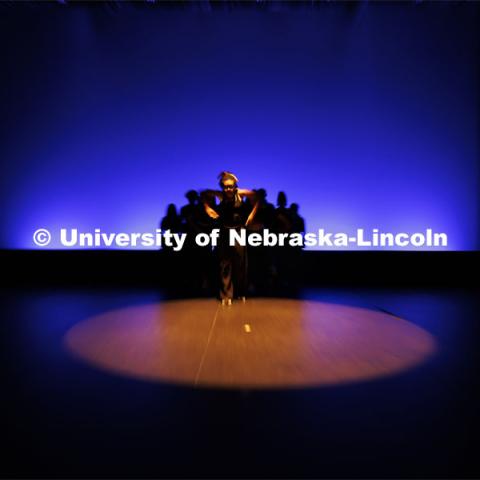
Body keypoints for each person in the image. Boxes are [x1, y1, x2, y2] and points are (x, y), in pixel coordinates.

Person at [201, 171, 258, 306]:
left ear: (235, 186)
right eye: (226, 186)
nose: (228, 189)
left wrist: (252, 216)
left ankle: (240, 292)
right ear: (222, 187)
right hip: (225, 231)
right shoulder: (220, 195)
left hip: (238, 231)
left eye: (231, 186)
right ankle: (226, 294)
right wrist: (207, 208)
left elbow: (257, 197)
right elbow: (203, 193)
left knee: (240, 263)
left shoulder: (241, 194)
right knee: (225, 264)